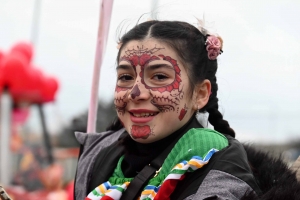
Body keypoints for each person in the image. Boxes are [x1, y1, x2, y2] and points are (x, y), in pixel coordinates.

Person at [74, 20, 300, 200]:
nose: (135, 93)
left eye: (159, 77)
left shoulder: (215, 163)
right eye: (125, 77)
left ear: (200, 94)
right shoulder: (100, 155)